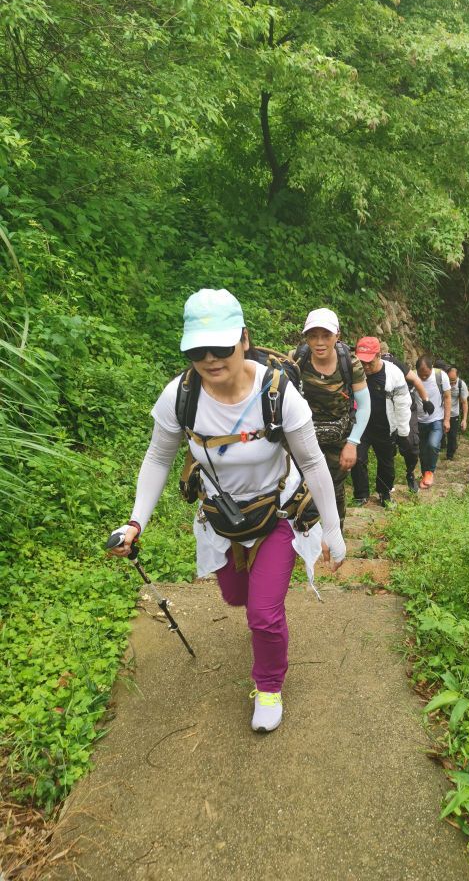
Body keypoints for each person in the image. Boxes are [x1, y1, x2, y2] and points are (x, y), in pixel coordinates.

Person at [108, 289, 346, 733]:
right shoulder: (181, 396)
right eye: (197, 350)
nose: (210, 359)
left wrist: (333, 530)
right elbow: (158, 458)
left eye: (220, 347)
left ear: (244, 339)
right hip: (221, 517)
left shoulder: (278, 393)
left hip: (277, 511)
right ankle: (261, 615)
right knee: (237, 597)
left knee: (263, 614)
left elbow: (313, 463)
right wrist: (136, 521)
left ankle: (269, 686)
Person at [293, 309, 370, 528]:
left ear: (337, 336)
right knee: (301, 489)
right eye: (313, 336)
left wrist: (352, 444)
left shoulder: (350, 364)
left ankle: (335, 536)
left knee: (334, 489)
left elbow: (364, 406)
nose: (319, 342)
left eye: (326, 336)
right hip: (305, 438)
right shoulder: (297, 359)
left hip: (338, 439)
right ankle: (305, 535)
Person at [351, 337, 412, 507]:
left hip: (385, 425)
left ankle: (384, 494)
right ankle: (361, 495)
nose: (365, 367)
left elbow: (402, 405)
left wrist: (403, 433)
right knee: (358, 458)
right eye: (362, 362)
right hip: (360, 425)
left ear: (379, 355)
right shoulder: (354, 371)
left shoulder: (393, 374)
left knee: (386, 461)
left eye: (369, 362)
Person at [379, 344, 431, 493]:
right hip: (385, 410)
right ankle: (388, 481)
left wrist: (426, 400)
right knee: (388, 447)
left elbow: (416, 381)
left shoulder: (396, 364)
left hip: (406, 407)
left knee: (411, 443)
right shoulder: (369, 367)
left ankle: (410, 473)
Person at [415, 355, 451, 488]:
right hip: (419, 420)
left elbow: (447, 397)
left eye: (426, 374)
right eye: (421, 374)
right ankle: (425, 473)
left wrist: (447, 420)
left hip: (436, 418)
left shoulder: (440, 376)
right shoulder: (412, 376)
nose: (423, 377)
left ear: (431, 368)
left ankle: (430, 471)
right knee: (422, 450)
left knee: (433, 445)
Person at [445, 366, 469, 459]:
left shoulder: (461, 385)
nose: (451, 383)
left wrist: (464, 419)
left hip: (454, 413)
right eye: (449, 380)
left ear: (458, 376)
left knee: (452, 435)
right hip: (441, 412)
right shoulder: (442, 382)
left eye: (453, 380)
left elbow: (464, 402)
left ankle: (449, 456)